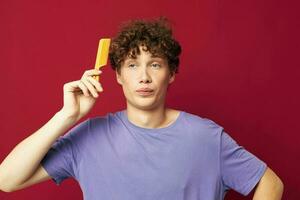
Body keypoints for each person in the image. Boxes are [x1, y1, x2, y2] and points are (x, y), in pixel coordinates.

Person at [0, 17, 283, 200]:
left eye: (155, 64)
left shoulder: (207, 137)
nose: (144, 77)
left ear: (171, 73)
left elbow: (271, 184)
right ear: (119, 76)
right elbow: (7, 180)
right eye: (133, 65)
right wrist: (67, 116)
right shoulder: (88, 137)